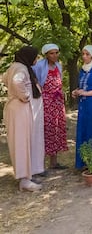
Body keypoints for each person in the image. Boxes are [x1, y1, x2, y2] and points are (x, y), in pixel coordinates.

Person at [3, 46, 45, 191]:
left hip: (16, 108)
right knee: (22, 143)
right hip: (19, 109)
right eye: (35, 56)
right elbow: (16, 81)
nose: (36, 59)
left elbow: (4, 79)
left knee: (24, 142)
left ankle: (27, 175)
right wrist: (25, 95)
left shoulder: (15, 66)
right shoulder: (21, 69)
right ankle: (24, 180)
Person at [32, 43, 68, 170]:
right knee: (46, 130)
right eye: (52, 53)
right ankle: (39, 165)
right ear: (46, 54)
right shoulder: (39, 66)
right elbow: (34, 79)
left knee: (57, 129)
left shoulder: (58, 65)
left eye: (56, 53)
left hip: (58, 101)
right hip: (47, 102)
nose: (55, 55)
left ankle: (54, 162)